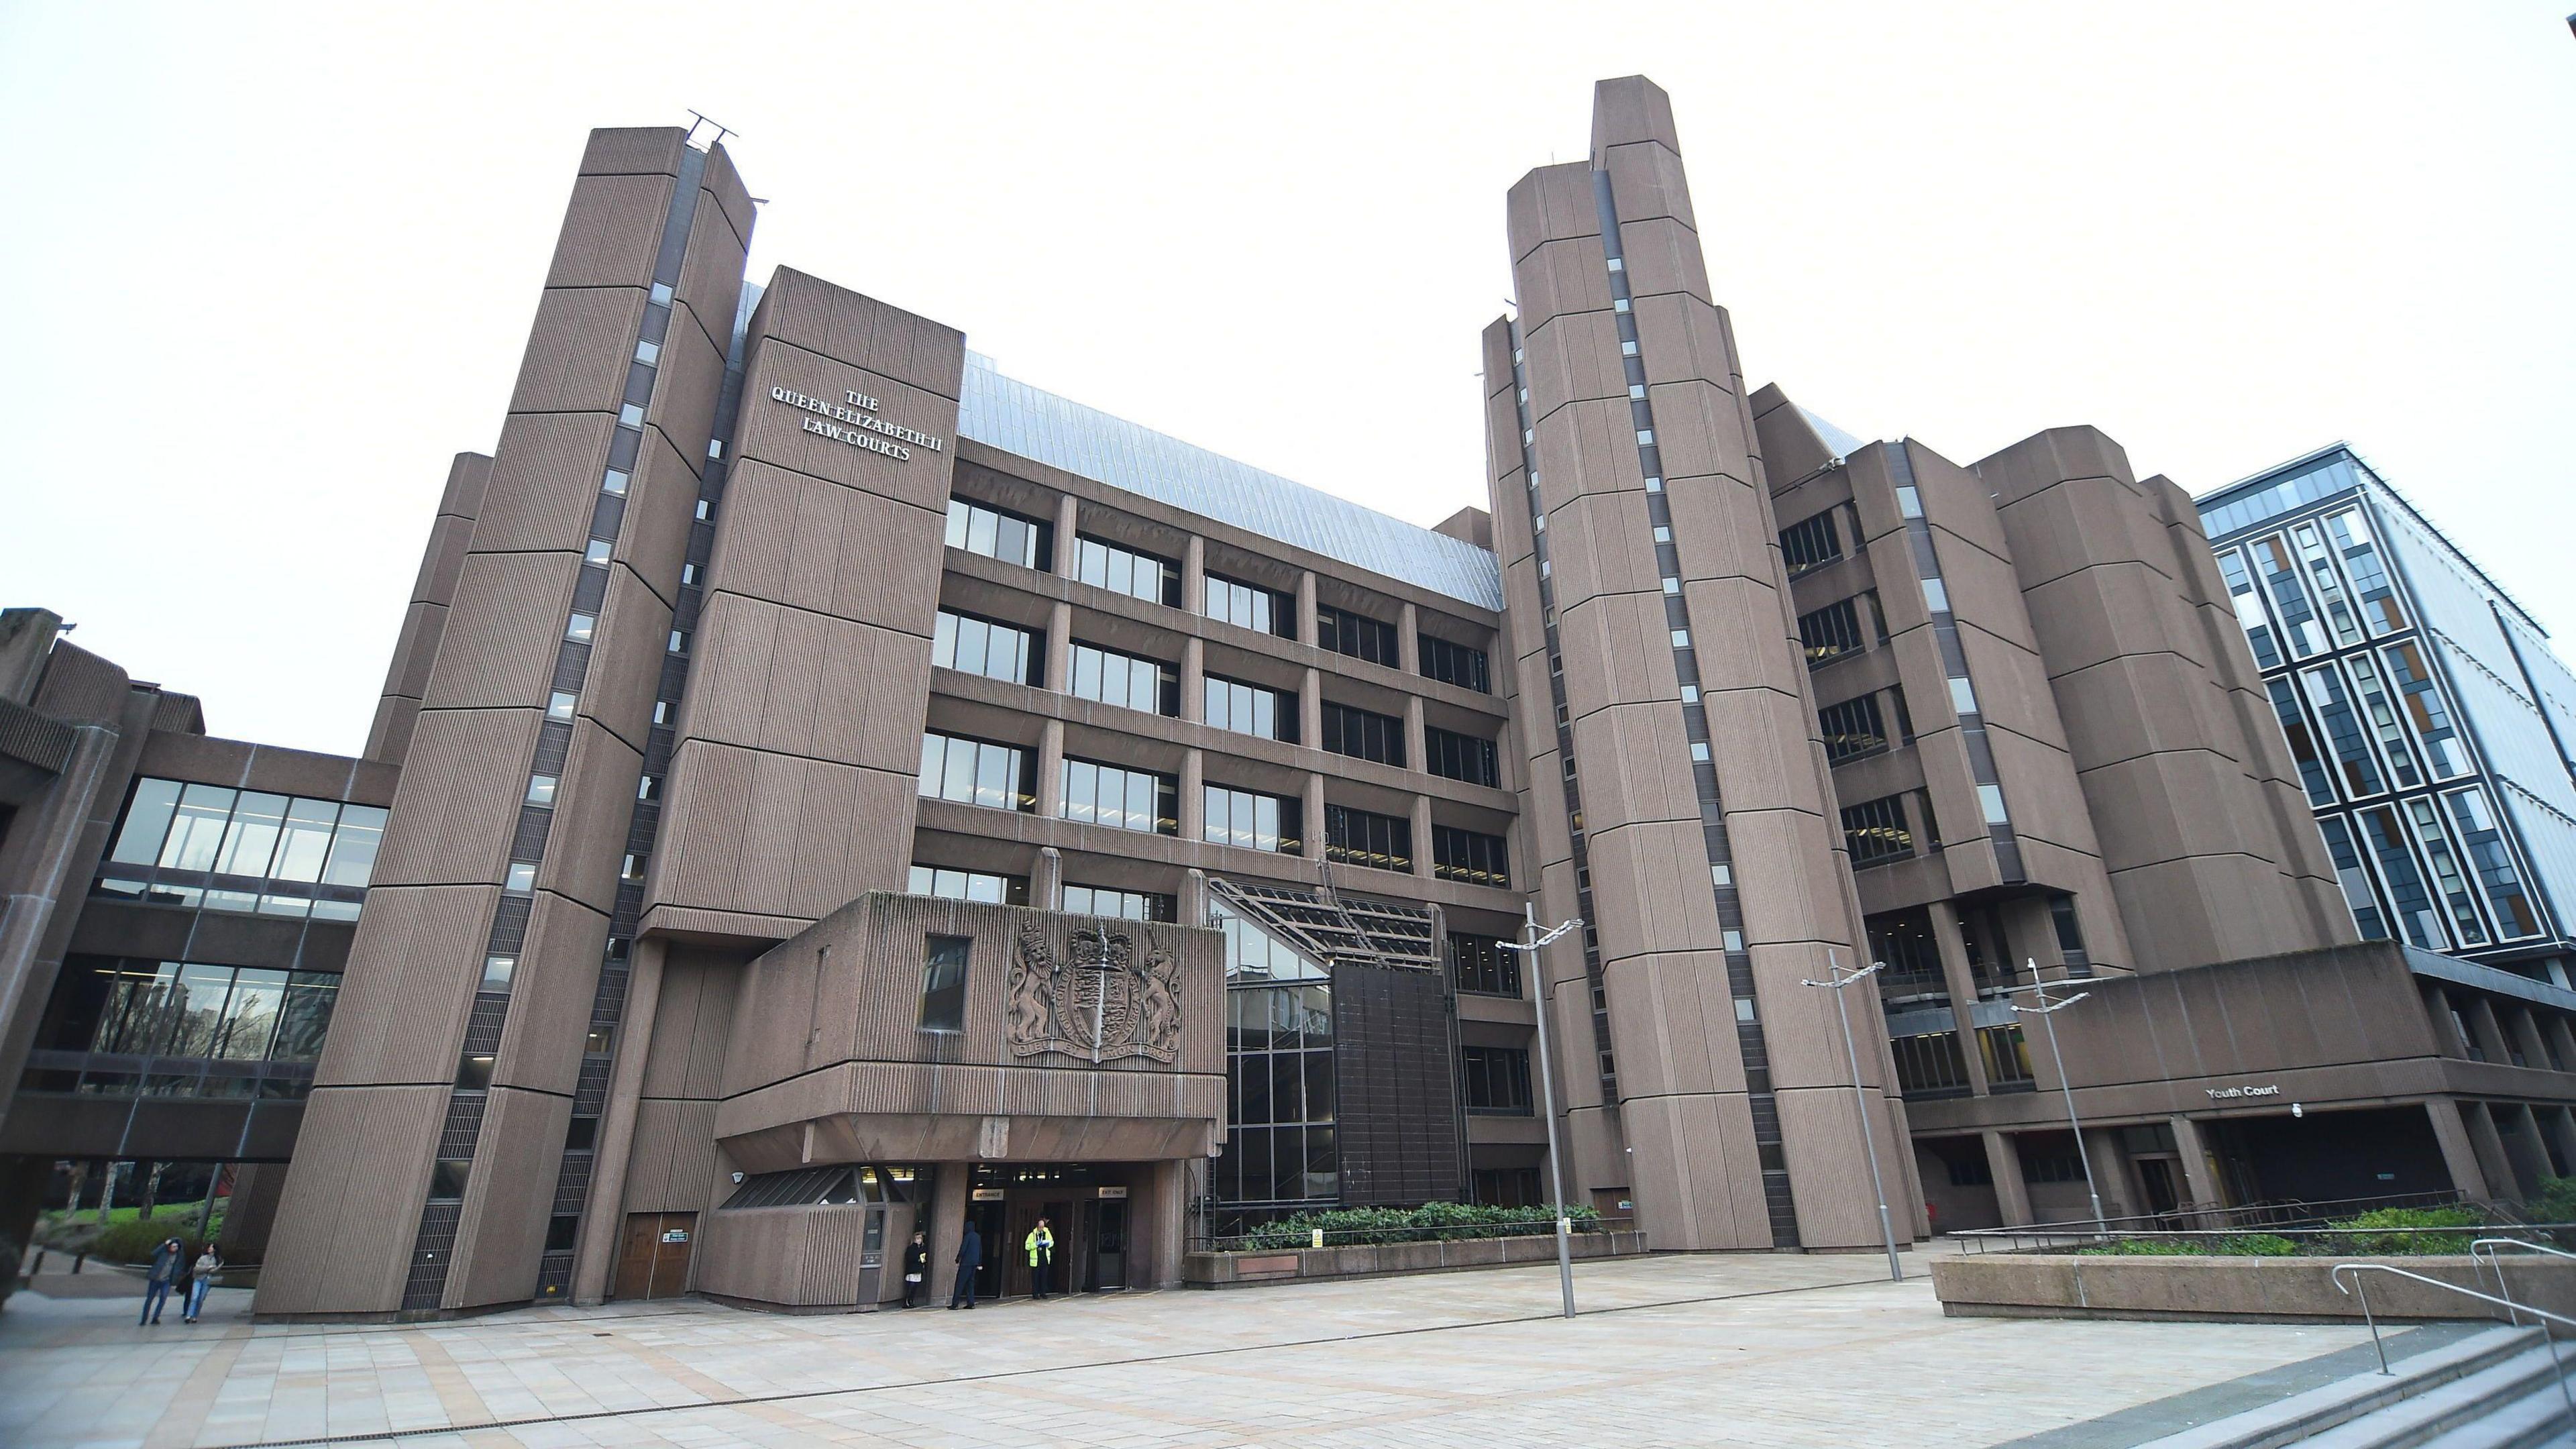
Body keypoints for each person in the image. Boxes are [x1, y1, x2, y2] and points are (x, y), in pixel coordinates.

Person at [139, 1238, 183, 1327]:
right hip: (155, 1279)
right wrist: (164, 1245)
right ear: (169, 1247)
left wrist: (175, 1280)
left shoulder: (179, 1255)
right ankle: (144, 1318)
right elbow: (153, 1254)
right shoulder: (164, 1252)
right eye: (173, 1246)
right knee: (150, 1299)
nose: (175, 1248)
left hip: (166, 1281)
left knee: (163, 1298)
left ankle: (156, 1317)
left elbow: (179, 1267)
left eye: (177, 1247)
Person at [947, 1220, 982, 1309]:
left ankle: (955, 1304)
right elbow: (980, 1251)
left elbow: (963, 1248)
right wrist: (979, 1263)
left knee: (960, 1283)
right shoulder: (977, 1237)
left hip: (966, 1263)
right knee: (970, 1283)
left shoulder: (968, 1237)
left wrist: (958, 1258)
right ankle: (971, 1303)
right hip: (974, 1263)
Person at [183, 1245, 222, 1323]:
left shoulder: (217, 1260)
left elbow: (215, 1270)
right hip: (198, 1279)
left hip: (207, 1281)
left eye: (211, 1247)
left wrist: (209, 1269)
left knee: (201, 1299)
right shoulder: (203, 1258)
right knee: (195, 1297)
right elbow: (197, 1269)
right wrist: (208, 1268)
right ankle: (189, 1315)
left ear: (214, 1250)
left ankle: (195, 1316)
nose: (209, 1248)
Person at [1025, 1216, 1056, 1300]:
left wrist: (1047, 1244)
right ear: (1037, 1226)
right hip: (1036, 1260)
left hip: (1045, 1259)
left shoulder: (1047, 1233)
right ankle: (1035, 1294)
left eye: (1043, 1227)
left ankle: (1043, 1292)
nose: (1042, 1229)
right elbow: (1027, 1246)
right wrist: (1036, 1244)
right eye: (1040, 1227)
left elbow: (1052, 1242)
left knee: (1044, 1276)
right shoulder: (1032, 1235)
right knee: (1035, 1278)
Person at [900, 1230, 928, 1308]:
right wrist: (918, 1259)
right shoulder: (911, 1248)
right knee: (911, 1286)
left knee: (915, 1286)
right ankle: (907, 1301)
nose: (919, 1240)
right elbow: (909, 1258)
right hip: (912, 1269)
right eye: (917, 1239)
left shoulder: (922, 1248)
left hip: (918, 1269)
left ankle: (911, 1300)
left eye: (920, 1239)